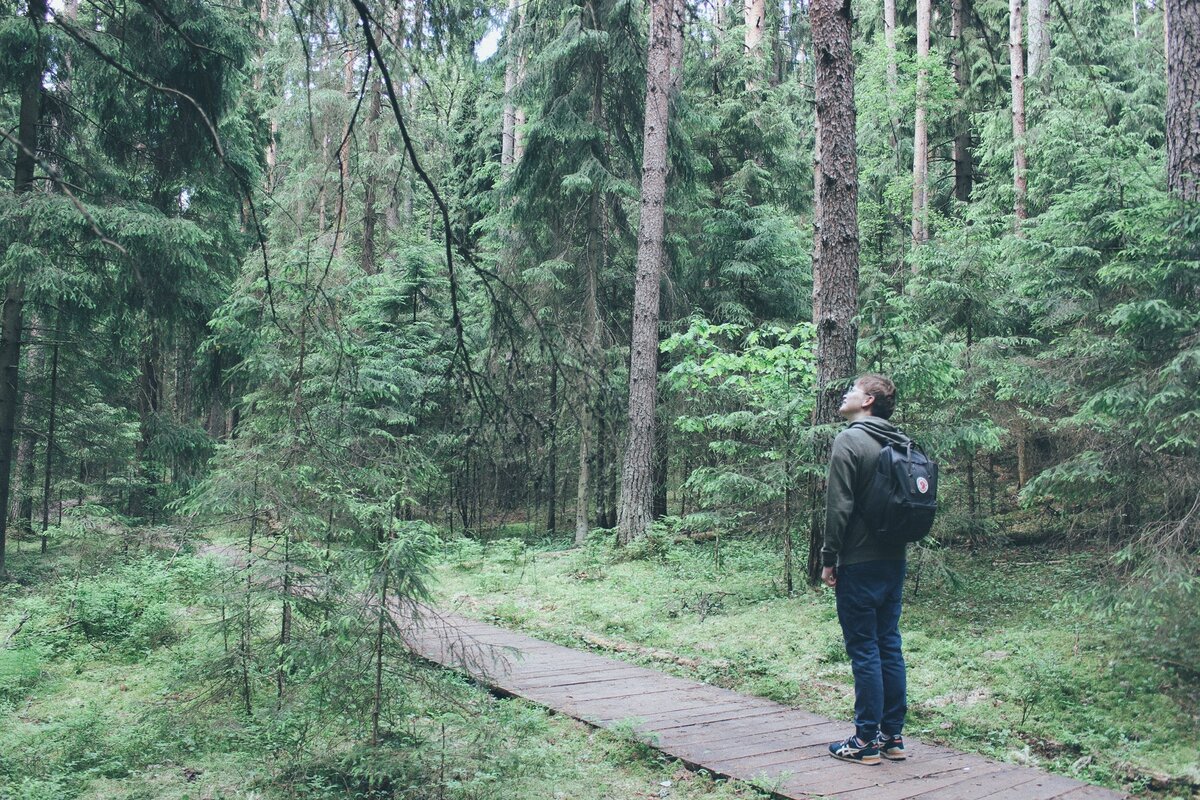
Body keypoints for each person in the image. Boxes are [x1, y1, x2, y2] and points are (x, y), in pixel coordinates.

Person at [821, 374, 909, 766]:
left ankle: (864, 741)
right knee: (889, 643)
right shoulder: (899, 441)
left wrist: (828, 558)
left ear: (868, 400)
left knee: (864, 650)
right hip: (894, 559)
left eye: (852, 390)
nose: (845, 394)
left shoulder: (850, 440)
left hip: (858, 560)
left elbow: (839, 507)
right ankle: (892, 738)